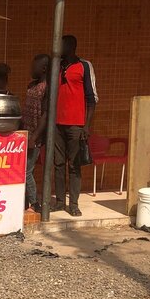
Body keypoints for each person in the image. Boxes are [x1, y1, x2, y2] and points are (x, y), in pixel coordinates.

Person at [55, 34, 97, 216]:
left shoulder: (84, 66)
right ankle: (59, 202)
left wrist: (86, 126)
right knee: (58, 164)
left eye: (62, 45)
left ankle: (73, 204)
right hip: (57, 124)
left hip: (76, 124)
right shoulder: (57, 66)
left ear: (71, 47)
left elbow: (92, 98)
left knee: (74, 165)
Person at [21, 54, 49, 213]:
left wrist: (35, 137)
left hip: (34, 137)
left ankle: (34, 203)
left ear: (44, 68)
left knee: (27, 171)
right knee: (22, 170)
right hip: (25, 134)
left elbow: (45, 115)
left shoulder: (46, 88)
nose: (31, 70)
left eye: (34, 67)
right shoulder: (32, 85)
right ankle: (26, 201)